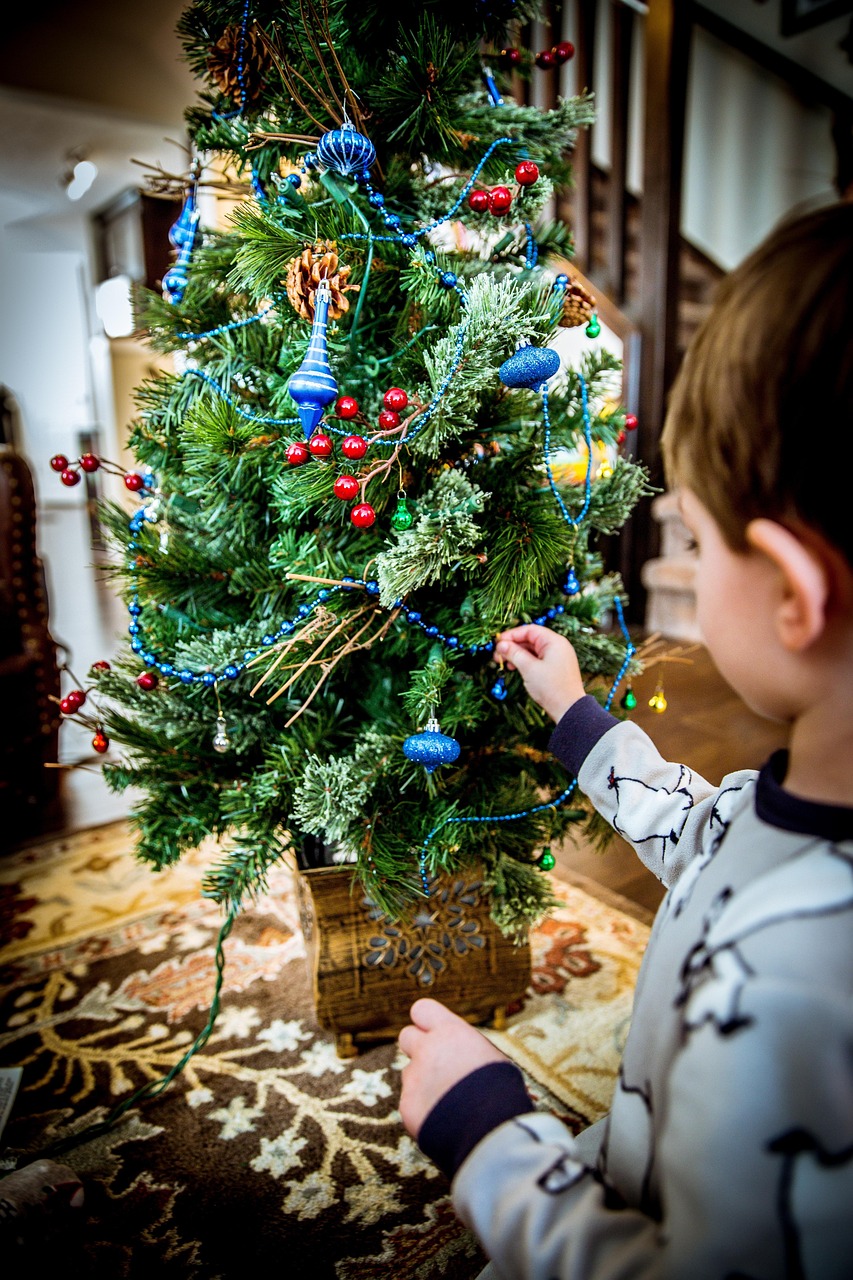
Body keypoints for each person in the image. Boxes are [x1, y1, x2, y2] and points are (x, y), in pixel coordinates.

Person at [398, 201, 853, 1278]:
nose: (686, 562)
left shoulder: (791, 988)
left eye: (695, 539)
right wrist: (578, 714)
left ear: (791, 593)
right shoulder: (795, 815)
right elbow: (706, 832)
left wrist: (493, 1137)